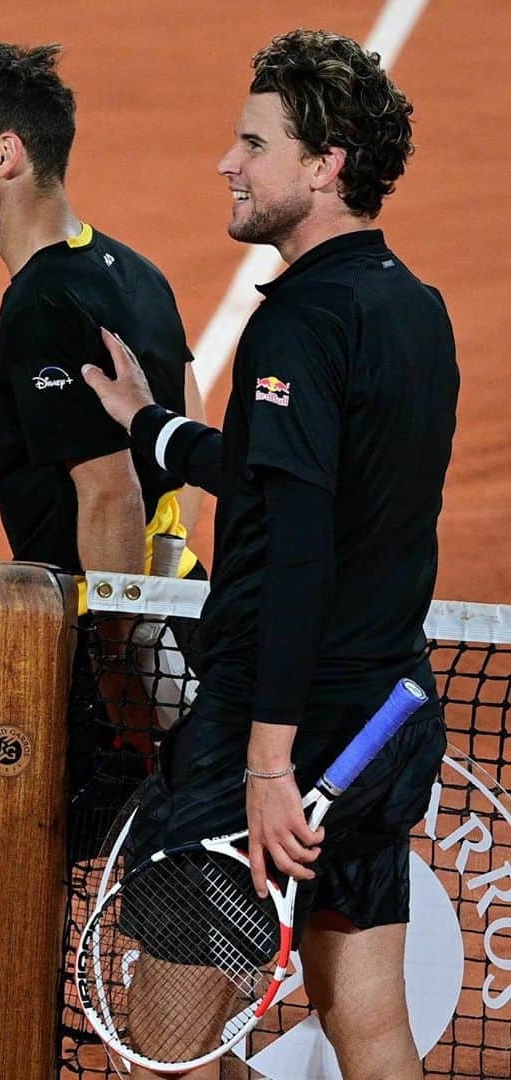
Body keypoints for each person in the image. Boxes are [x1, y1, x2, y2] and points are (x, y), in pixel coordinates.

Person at [82, 29, 457, 1080]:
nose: (227, 163)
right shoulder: (414, 312)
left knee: (168, 1049)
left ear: (324, 162)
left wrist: (264, 763)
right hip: (386, 721)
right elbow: (283, 481)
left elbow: (295, 552)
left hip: (280, 727)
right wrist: (152, 427)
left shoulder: (297, 324)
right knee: (370, 1025)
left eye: (254, 142)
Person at [0, 42, 204, 593]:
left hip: (103, 626)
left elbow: (111, 495)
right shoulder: (136, 269)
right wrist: (164, 586)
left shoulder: (40, 307)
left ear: (5, 155)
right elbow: (190, 426)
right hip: (178, 593)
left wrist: (114, 651)